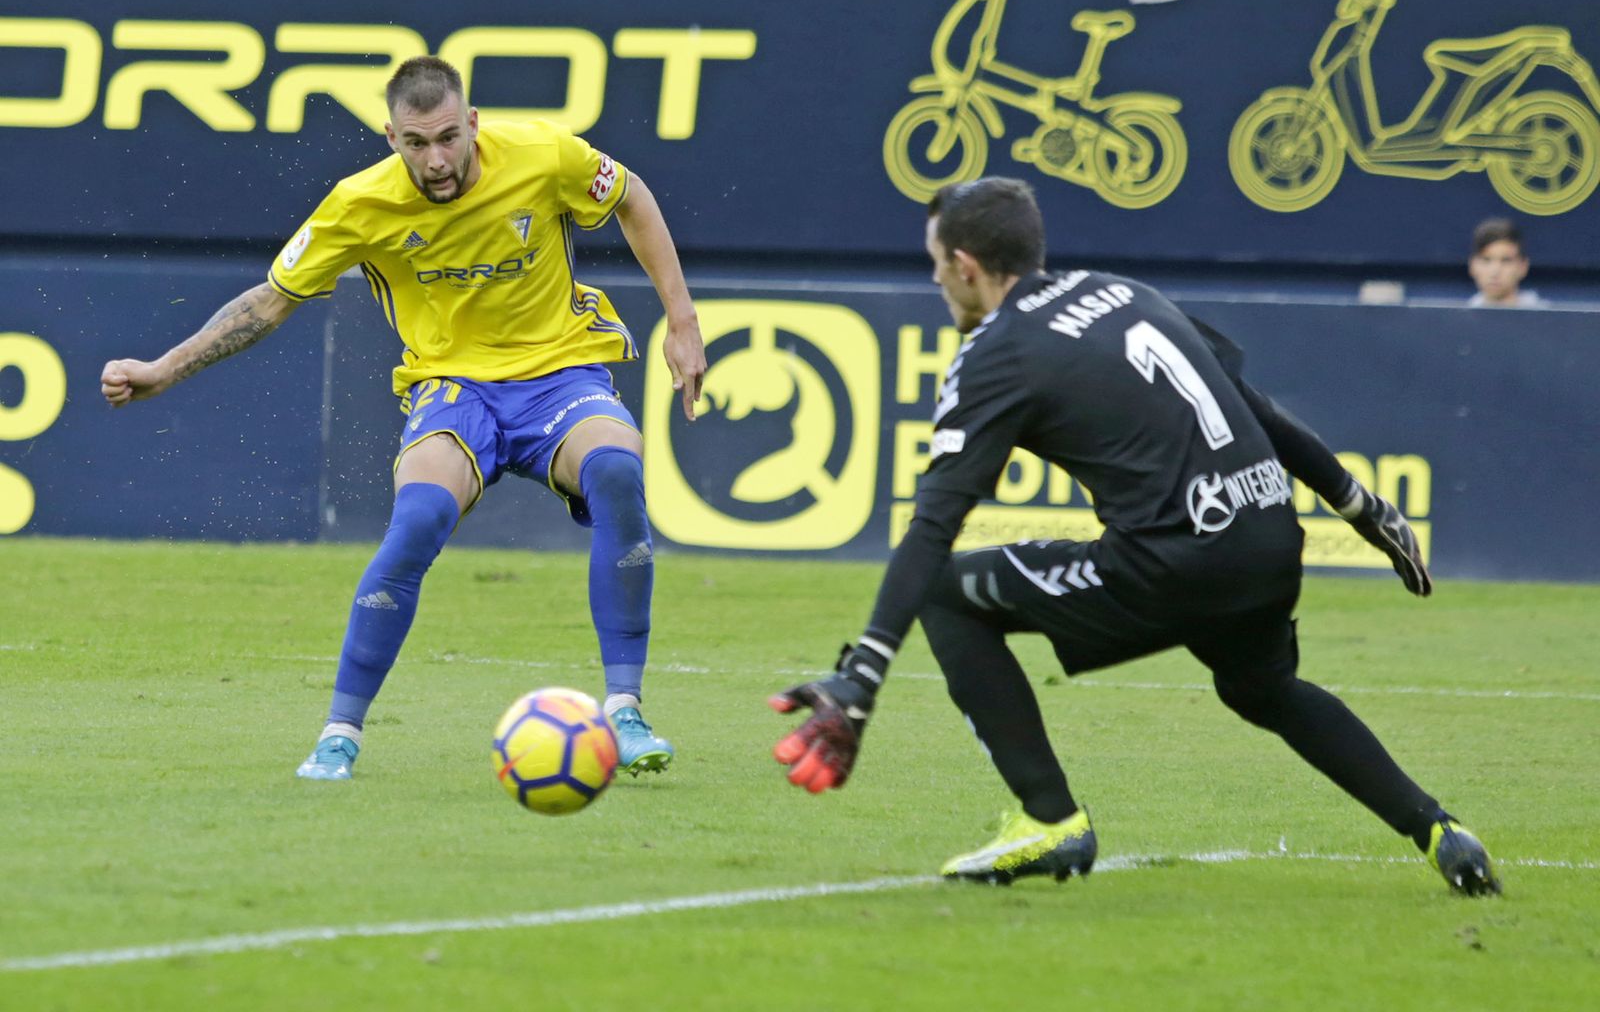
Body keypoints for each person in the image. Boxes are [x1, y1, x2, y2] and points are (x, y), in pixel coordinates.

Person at [769, 177, 1500, 896]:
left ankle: (1048, 819)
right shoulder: (1124, 292)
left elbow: (935, 521)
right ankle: (1439, 830)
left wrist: (861, 679)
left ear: (964, 264)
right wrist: (1360, 504)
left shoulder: (999, 350)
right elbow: (1255, 408)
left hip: (1176, 562)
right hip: (1270, 540)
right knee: (1263, 688)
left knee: (946, 591)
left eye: (935, 262)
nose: (934, 278)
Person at [101, 56, 706, 782]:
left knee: (615, 470)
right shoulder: (359, 204)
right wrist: (165, 368)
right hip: (452, 388)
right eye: (416, 143)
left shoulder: (545, 156)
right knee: (417, 519)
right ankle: (339, 734)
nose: (437, 158)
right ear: (390, 137)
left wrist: (682, 319)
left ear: (473, 124)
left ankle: (624, 709)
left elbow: (631, 194)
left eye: (449, 137)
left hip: (560, 375)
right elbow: (270, 299)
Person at [1467, 217, 1546, 308]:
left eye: (1506, 261)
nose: (1495, 271)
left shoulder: (1549, 319)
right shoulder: (1458, 319)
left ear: (1523, 266)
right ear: (1472, 265)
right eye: (1486, 260)